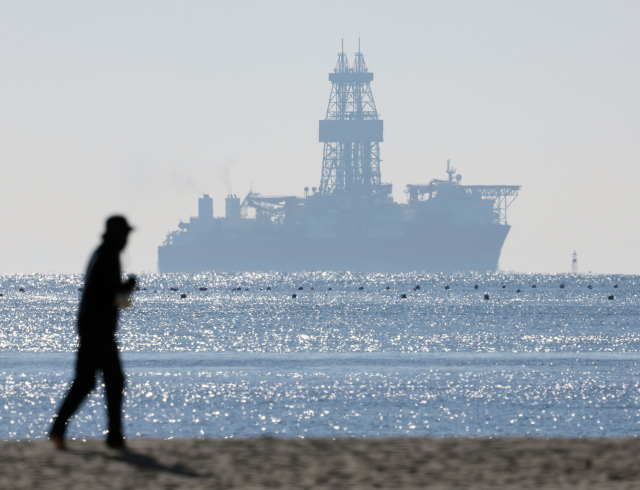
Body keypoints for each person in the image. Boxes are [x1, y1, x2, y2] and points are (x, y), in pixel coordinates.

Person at [49, 216, 136, 450]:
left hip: (89, 326)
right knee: (114, 380)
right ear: (118, 234)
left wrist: (121, 291)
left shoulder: (101, 253)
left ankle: (58, 428)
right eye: (125, 234)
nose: (127, 239)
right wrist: (124, 290)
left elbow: (101, 292)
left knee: (86, 381)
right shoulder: (109, 256)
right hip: (99, 329)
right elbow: (107, 295)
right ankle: (115, 436)